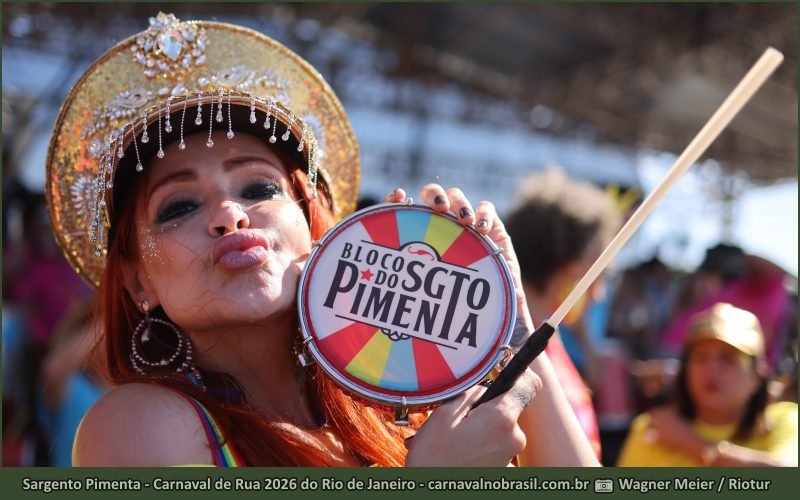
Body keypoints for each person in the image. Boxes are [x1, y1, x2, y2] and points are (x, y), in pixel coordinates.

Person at [45, 13, 599, 466]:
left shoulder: (393, 409)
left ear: (314, 230)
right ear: (137, 278)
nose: (229, 215)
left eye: (259, 186)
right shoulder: (137, 426)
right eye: (180, 206)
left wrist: (511, 336)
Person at [505, 168, 622, 460]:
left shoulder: (545, 341)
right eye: (600, 274)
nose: (599, 293)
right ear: (575, 267)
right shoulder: (512, 354)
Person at [617, 303, 798, 467]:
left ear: (757, 376)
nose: (712, 369)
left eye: (728, 358)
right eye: (700, 356)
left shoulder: (784, 421)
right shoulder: (654, 427)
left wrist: (696, 445)